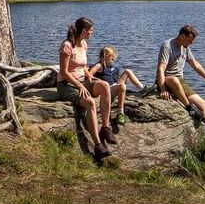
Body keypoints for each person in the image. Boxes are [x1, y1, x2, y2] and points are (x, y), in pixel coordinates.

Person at [156, 24, 205, 152]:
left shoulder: (185, 47)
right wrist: (163, 89)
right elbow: (160, 69)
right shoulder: (167, 45)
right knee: (175, 80)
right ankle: (189, 108)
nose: (191, 44)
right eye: (189, 40)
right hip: (167, 79)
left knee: (204, 104)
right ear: (182, 36)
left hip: (180, 82)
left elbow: (195, 64)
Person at [56, 16, 116, 161]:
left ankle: (105, 128)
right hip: (66, 85)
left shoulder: (83, 44)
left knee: (105, 86)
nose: (92, 33)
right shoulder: (67, 46)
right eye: (91, 31)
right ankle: (97, 144)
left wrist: (89, 75)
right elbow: (64, 72)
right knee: (89, 102)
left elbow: (82, 66)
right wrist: (80, 86)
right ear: (83, 31)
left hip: (82, 80)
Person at [89, 45, 143, 126]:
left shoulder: (114, 68)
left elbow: (115, 80)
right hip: (107, 88)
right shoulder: (99, 65)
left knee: (127, 71)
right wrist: (98, 80)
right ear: (105, 56)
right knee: (122, 86)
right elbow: (89, 75)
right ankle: (120, 113)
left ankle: (142, 88)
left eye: (113, 58)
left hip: (114, 85)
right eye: (111, 58)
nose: (112, 60)